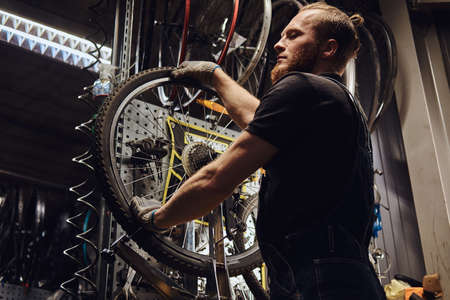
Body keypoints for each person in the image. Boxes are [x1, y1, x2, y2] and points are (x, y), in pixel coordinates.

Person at [130, 3, 387, 299]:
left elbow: (217, 179)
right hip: (348, 278)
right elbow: (260, 120)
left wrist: (158, 219)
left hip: (316, 282)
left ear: (328, 48)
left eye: (293, 35)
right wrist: (217, 77)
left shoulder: (301, 87)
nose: (278, 44)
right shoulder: (338, 102)